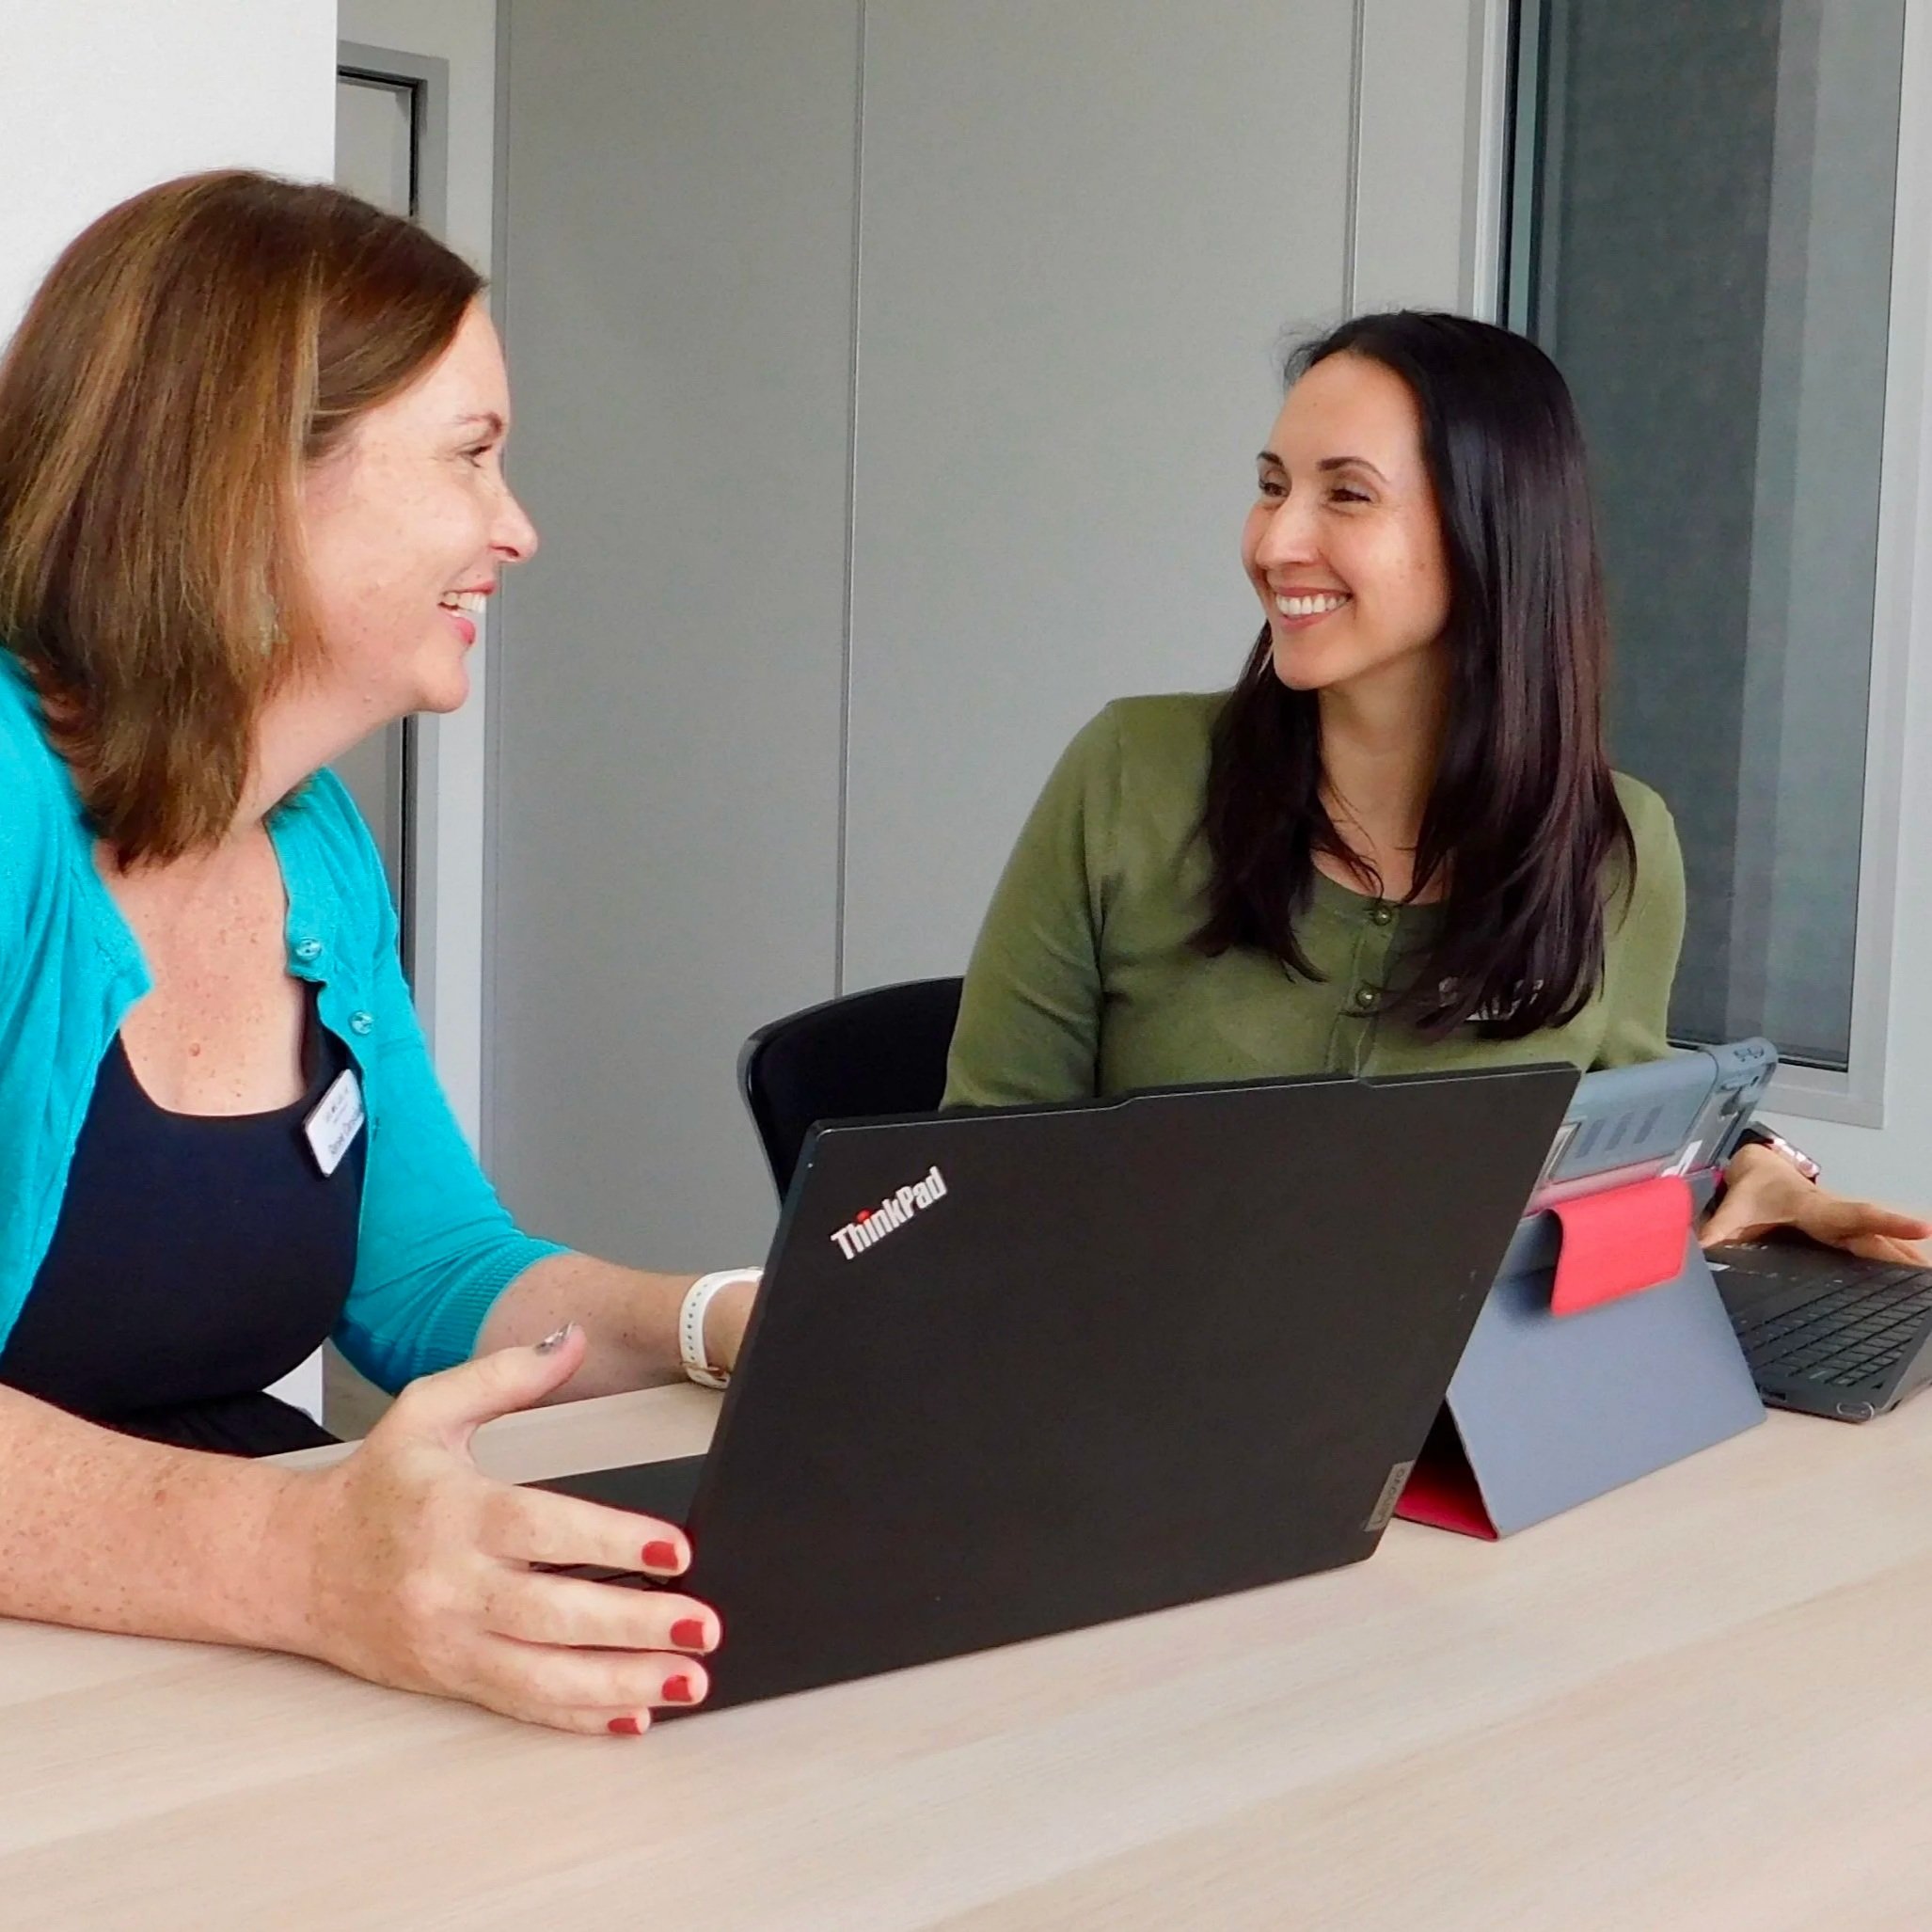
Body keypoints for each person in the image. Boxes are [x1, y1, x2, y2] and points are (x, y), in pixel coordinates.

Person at [0, 171, 763, 1734]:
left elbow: (428, 1270)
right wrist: (300, 1555)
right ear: (243, 479)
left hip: (180, 1688)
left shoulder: (311, 842)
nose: (518, 529)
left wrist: (725, 1321)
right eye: (472, 457)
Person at [944, 310, 1926, 1261]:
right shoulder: (1129, 771)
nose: (1274, 542)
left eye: (1345, 495)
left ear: (1486, 532)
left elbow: (1628, 1132)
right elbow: (978, 1161)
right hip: (1131, 1386)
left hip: (1455, 1416)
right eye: (1271, 486)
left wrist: (1759, 1169)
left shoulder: (1612, 844)